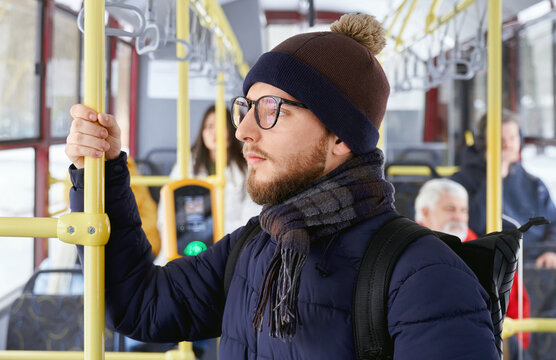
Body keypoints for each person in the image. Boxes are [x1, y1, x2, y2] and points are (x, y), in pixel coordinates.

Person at [65, 13, 498, 359]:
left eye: (272, 109)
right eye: (247, 107)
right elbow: (140, 305)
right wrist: (100, 172)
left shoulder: (425, 276)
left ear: (342, 136)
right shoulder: (254, 246)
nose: (244, 132)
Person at [415, 178, 531, 358]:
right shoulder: (407, 253)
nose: (459, 217)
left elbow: (518, 311)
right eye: (450, 209)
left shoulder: (493, 256)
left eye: (463, 210)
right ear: (425, 212)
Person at [451, 110, 556, 268]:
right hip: (487, 265)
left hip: (534, 264)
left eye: (512, 138)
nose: (507, 145)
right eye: (500, 140)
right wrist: (495, 174)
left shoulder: (535, 184)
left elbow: (553, 223)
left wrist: (550, 251)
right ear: (483, 144)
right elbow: (475, 223)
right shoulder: (460, 182)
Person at [166, 105, 260, 234]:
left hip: (231, 243)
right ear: (202, 132)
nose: (215, 132)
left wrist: (210, 229)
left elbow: (250, 220)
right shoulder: (185, 165)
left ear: (232, 131)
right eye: (209, 126)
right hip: (188, 242)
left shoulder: (247, 168)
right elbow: (167, 213)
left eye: (221, 126)